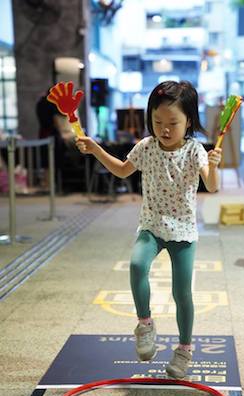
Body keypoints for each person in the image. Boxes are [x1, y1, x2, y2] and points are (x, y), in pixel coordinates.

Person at [75, 80, 222, 378]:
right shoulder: (146, 146)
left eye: (173, 123)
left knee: (183, 293)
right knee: (136, 265)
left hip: (182, 230)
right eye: (157, 122)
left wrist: (215, 165)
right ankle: (145, 325)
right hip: (152, 225)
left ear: (189, 121)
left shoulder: (195, 150)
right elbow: (121, 170)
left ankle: (184, 349)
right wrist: (95, 149)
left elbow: (212, 186)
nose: (164, 129)